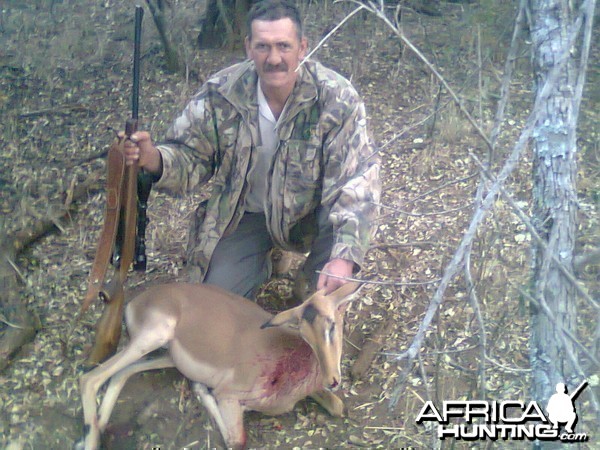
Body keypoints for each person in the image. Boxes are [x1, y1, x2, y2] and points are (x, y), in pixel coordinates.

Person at [123, 0, 380, 299]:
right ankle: (262, 261)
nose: (274, 58)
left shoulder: (337, 98)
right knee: (216, 304)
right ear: (248, 47)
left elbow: (357, 181)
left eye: (284, 46)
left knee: (319, 304)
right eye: (263, 47)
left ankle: (310, 277)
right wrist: (154, 158)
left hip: (310, 217)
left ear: (303, 47)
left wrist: (344, 256)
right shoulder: (222, 92)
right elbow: (190, 155)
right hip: (246, 214)